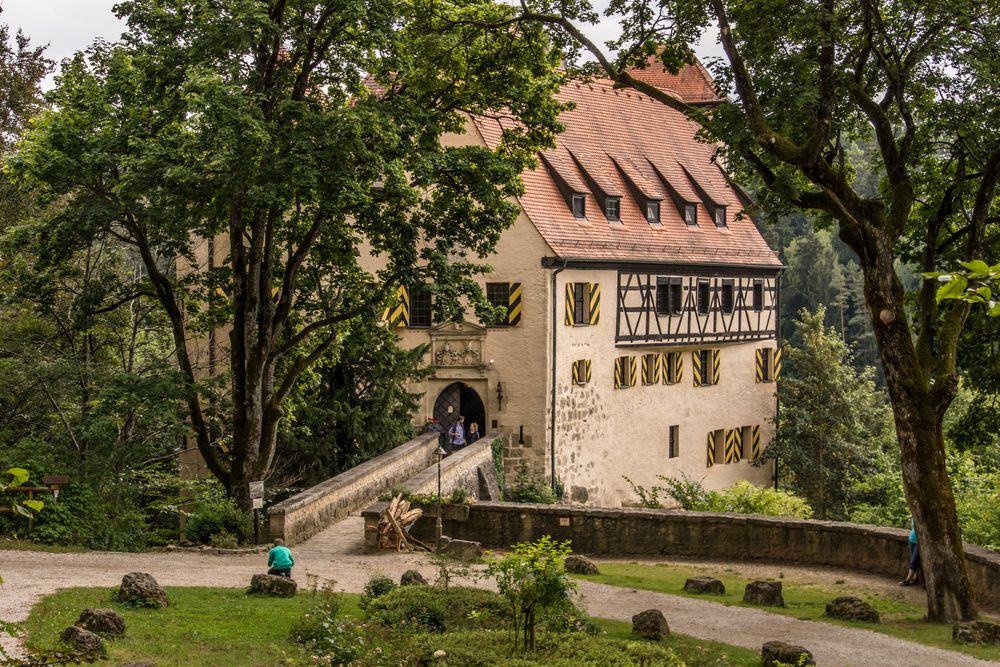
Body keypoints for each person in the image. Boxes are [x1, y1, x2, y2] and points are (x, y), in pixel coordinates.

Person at [900, 519, 921, 586]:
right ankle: (915, 578)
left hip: (920, 542)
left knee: (914, 560)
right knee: (914, 559)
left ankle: (907, 580)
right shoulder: (915, 515)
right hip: (912, 539)